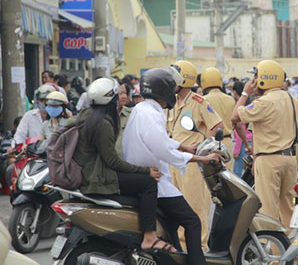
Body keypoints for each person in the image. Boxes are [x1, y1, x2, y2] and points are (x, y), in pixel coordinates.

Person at [123, 68, 222, 264]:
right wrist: (202, 159)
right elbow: (164, 150)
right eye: (172, 86)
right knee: (192, 221)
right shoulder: (151, 114)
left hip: (151, 176)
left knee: (172, 223)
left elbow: (162, 141)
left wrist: (185, 146)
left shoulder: (143, 109)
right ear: (164, 89)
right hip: (156, 182)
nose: (174, 91)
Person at [71, 77, 169, 252]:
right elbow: (113, 161)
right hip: (98, 179)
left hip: (88, 174)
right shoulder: (103, 123)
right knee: (148, 184)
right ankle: (149, 236)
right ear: (111, 99)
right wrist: (146, 171)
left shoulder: (85, 116)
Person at [231, 60, 298, 227]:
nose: (253, 81)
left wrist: (244, 93)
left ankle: (274, 251)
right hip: (290, 159)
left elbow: (235, 117)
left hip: (269, 160)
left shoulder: (263, 102)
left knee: (268, 211)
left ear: (265, 78)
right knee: (288, 209)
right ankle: (292, 250)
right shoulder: (292, 99)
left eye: (256, 77)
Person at [166, 60, 224, 248]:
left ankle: (199, 246)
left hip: (192, 164)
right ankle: (181, 246)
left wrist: (202, 145)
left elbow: (217, 126)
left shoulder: (199, 101)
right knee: (175, 206)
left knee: (195, 205)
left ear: (183, 81)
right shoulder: (171, 103)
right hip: (173, 161)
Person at [200, 67, 235, 171]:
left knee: (211, 180)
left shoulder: (203, 100)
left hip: (210, 145)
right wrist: (246, 144)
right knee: (229, 180)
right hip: (227, 143)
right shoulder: (230, 99)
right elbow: (237, 125)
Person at [231, 81, 253, 177]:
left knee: (237, 173)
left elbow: (240, 128)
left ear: (235, 92)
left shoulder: (240, 105)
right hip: (251, 141)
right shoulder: (249, 102)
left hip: (244, 143)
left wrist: (236, 150)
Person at [115, 82, 133, 158]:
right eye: (121, 93)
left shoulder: (131, 114)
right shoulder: (104, 116)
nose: (124, 96)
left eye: (125, 93)